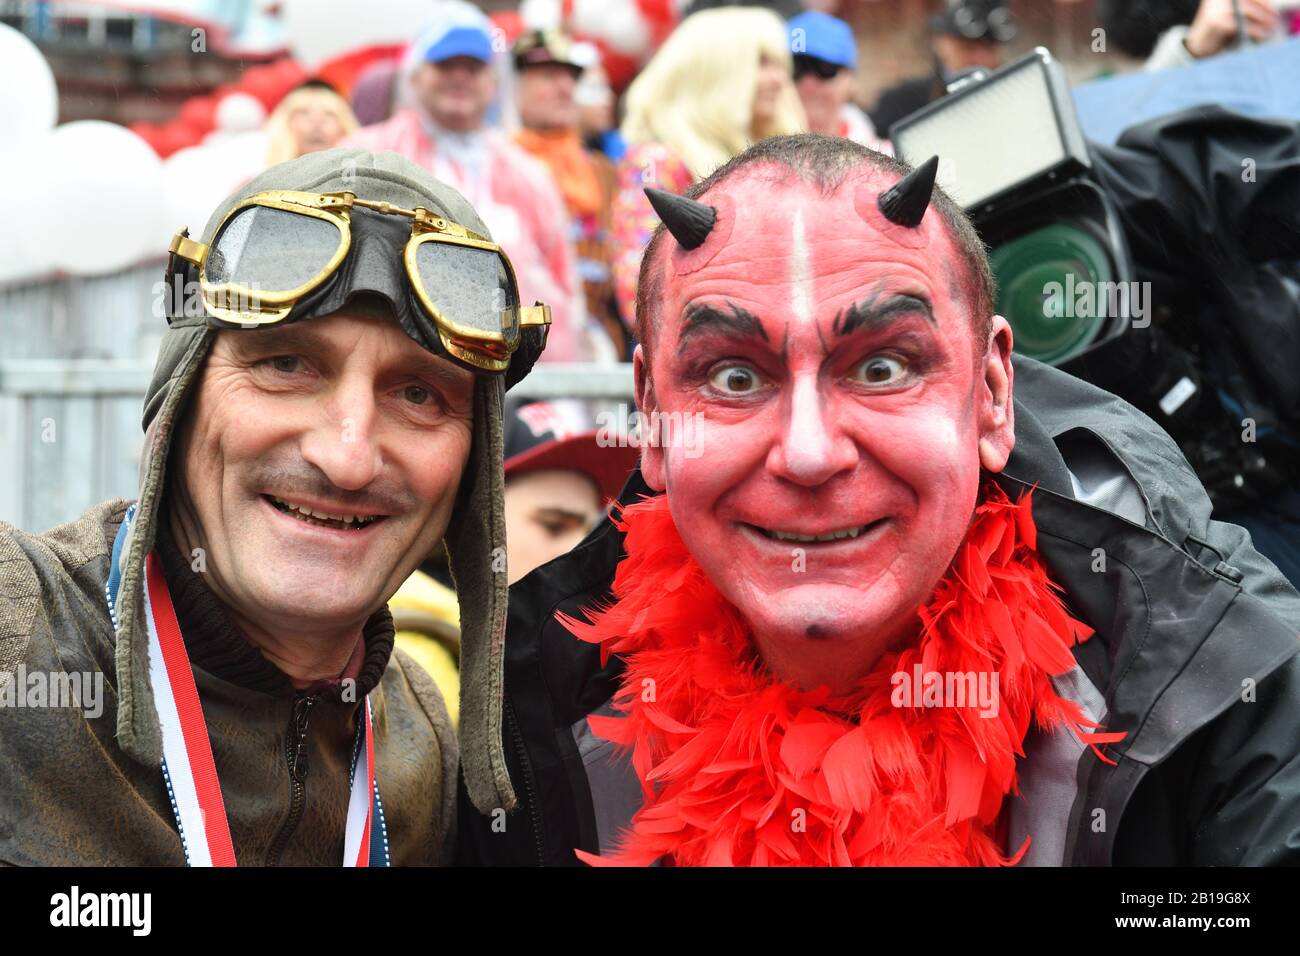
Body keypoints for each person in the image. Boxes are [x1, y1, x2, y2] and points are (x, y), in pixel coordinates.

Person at [457, 134, 1300, 866]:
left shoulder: (1227, 683)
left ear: (993, 394)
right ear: (651, 414)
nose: (811, 453)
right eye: (734, 375)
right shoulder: (520, 715)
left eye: (884, 367)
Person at [0, 149, 549, 865]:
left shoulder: (424, 739)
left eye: (419, 394)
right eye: (286, 365)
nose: (348, 457)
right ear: (184, 397)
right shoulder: (19, 632)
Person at [344, 16, 590, 361]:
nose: (460, 77)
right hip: (396, 356)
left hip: (514, 370)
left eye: (472, 67)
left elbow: (563, 284)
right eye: (445, 65)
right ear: (415, 75)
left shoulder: (527, 173)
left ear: (493, 82)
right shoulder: (368, 156)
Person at [392, 396, 639, 723]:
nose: (582, 551)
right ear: (468, 516)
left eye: (590, 532)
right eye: (553, 526)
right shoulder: (416, 666)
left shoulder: (509, 658)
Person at [610, 5, 806, 329]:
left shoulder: (783, 162)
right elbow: (637, 292)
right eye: (761, 63)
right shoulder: (658, 162)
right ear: (713, 73)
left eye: (780, 65)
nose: (778, 79)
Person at [512, 29, 626, 358]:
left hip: (601, 347)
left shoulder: (605, 169)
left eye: (570, 78)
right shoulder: (497, 167)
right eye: (549, 76)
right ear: (515, 86)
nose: (564, 89)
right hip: (523, 343)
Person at [868, 0, 1017, 137]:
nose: (980, 59)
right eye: (968, 47)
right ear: (941, 43)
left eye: (989, 48)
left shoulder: (1015, 100)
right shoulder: (901, 104)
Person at [787, 10, 887, 151]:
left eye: (824, 69)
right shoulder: (752, 158)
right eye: (795, 69)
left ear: (850, 80)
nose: (808, 85)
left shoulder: (885, 161)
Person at [263, 81, 360, 167]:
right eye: (303, 113)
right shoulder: (257, 176)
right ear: (285, 123)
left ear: (344, 125)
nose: (317, 123)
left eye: (329, 114)